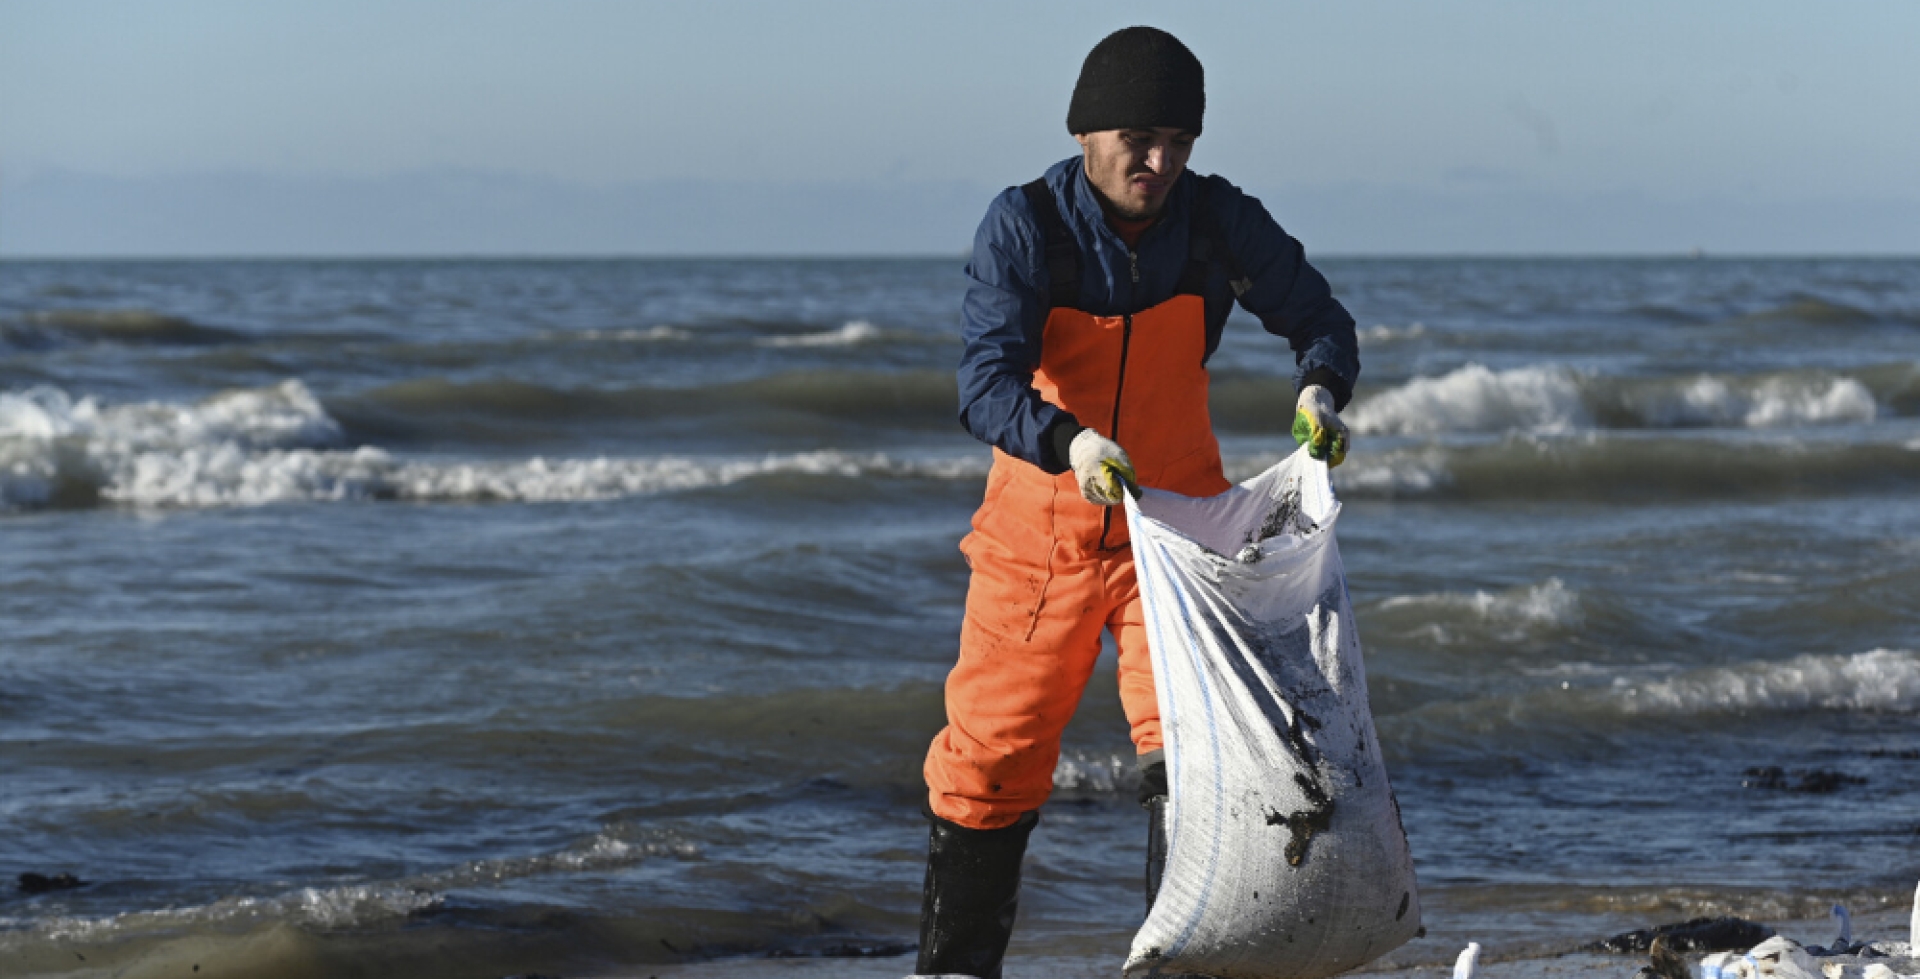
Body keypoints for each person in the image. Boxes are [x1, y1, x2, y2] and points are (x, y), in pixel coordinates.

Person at [911, 25, 1361, 979]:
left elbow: (1318, 315)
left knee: (1195, 758)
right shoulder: (1027, 223)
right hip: (1045, 536)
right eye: (1138, 140)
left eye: (1179, 141)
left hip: (1182, 534)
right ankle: (953, 967)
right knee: (991, 761)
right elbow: (983, 381)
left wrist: (1321, 385)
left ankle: (1179, 964)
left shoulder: (1217, 221)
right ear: (1086, 132)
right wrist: (1068, 442)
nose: (1159, 162)